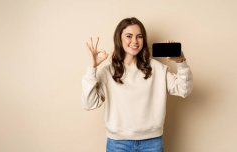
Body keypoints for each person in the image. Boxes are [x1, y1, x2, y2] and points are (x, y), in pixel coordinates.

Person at [81, 17, 193, 152]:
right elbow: (89, 103)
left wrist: (181, 61)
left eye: (139, 36)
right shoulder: (107, 72)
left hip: (152, 143)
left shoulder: (157, 68)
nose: (134, 41)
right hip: (118, 144)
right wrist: (92, 67)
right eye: (129, 36)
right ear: (119, 39)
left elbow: (184, 90)